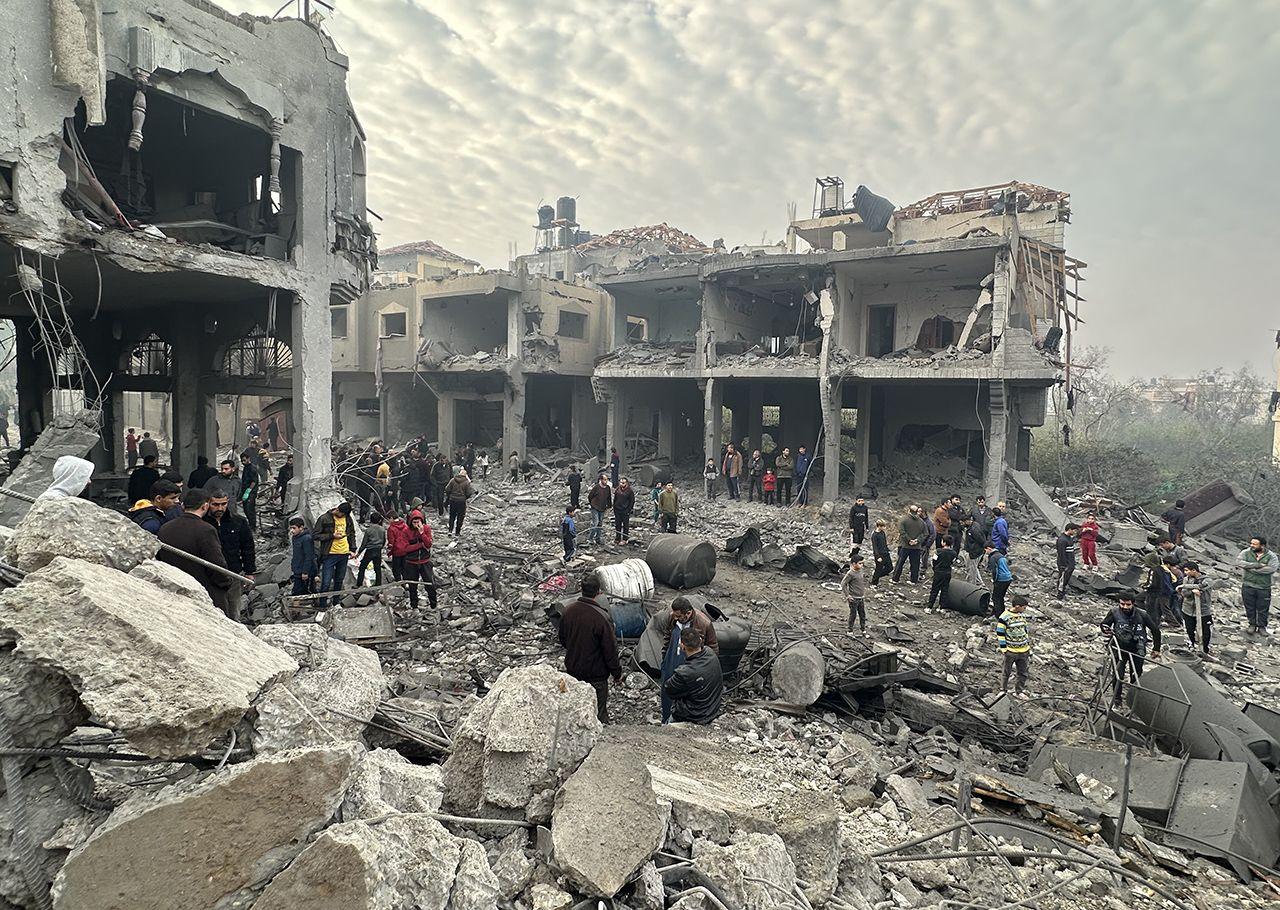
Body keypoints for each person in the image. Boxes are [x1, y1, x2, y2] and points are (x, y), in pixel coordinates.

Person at [158, 488, 232, 614]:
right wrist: (225, 582)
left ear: (182, 506)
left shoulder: (165, 528)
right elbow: (216, 564)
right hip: (204, 592)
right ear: (205, 506)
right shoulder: (206, 530)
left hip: (172, 590)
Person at [559, 576, 622, 723]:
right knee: (597, 714)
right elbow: (610, 650)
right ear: (599, 592)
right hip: (596, 675)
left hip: (573, 671)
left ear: (581, 590)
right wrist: (617, 673)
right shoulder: (601, 617)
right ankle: (600, 742)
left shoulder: (568, 611)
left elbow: (562, 639)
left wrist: (575, 651)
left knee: (575, 711)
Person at [1101, 591, 1161, 704]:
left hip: (1137, 649)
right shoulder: (1114, 612)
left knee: (1136, 674)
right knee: (1118, 674)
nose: (1125, 607)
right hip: (1119, 648)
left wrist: (1156, 648)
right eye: (1122, 604)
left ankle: (1133, 699)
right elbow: (1105, 624)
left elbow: (1155, 630)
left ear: (1133, 604)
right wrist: (1105, 629)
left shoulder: (1142, 614)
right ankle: (1117, 699)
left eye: (1128, 604)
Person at [205, 492, 255, 622]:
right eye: (215, 504)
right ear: (208, 504)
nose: (220, 508)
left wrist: (249, 571)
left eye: (223, 504)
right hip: (209, 574)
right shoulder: (202, 523)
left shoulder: (238, 521)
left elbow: (247, 546)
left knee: (233, 609)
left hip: (233, 572)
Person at [662, 627, 723, 725]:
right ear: (700, 640)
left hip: (693, 716)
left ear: (682, 646)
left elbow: (669, 690)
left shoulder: (684, 673)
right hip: (712, 710)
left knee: (667, 727)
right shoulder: (711, 654)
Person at [315, 502, 355, 607]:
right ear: (337, 509)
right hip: (329, 554)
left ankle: (336, 602)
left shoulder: (348, 519)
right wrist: (332, 536)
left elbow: (351, 534)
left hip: (344, 554)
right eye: (340, 512)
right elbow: (315, 535)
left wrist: (353, 549)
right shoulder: (324, 518)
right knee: (326, 582)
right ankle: (322, 605)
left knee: (339, 580)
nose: (340, 515)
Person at [1236, 535, 1277, 636]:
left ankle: (1262, 627)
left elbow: (1271, 569)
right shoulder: (1246, 552)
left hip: (1264, 587)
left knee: (1263, 608)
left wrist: (1250, 569)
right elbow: (1239, 562)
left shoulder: (1271, 556)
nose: (1252, 545)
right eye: (1251, 543)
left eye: (1254, 544)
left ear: (1262, 545)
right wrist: (1256, 565)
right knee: (1249, 607)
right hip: (1248, 585)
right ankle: (1252, 625)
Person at [996, 594, 1032, 695]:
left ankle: (1019, 691)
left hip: (1024, 650)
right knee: (1006, 672)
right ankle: (1003, 690)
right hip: (1011, 651)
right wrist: (1004, 649)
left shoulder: (1022, 615)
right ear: (1017, 606)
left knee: (1023, 673)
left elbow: (1025, 631)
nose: (1024, 610)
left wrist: (1028, 646)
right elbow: (1000, 633)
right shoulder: (1004, 617)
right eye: (1023, 608)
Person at [402, 510, 437, 610]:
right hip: (411, 562)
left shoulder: (426, 528)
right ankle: (414, 606)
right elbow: (405, 548)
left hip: (425, 561)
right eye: (414, 522)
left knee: (430, 584)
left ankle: (434, 605)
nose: (416, 524)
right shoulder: (406, 531)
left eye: (418, 522)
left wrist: (422, 533)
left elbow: (429, 544)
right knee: (413, 586)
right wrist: (420, 545)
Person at [1177, 561, 1213, 656]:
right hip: (1188, 609)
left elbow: (1203, 587)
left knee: (1206, 631)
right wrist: (1192, 591)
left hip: (1203, 610)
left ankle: (1204, 649)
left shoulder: (1207, 579)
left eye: (1187, 570)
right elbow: (1184, 593)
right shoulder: (1186, 579)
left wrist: (1186, 587)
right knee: (1189, 629)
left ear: (1194, 570)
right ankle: (1192, 646)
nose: (1185, 573)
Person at [892, 505, 927, 584]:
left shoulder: (903, 520)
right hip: (916, 547)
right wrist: (917, 540)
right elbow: (925, 534)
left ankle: (895, 579)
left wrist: (909, 540)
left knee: (900, 563)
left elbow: (902, 532)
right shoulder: (922, 522)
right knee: (915, 564)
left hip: (905, 545)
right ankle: (913, 580)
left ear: (909, 511)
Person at [289, 517, 317, 597]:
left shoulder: (306, 538)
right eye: (291, 528)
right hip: (297, 569)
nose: (292, 531)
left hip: (304, 571)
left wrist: (305, 572)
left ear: (301, 528)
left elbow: (309, 556)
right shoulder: (295, 537)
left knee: (300, 592)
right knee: (299, 592)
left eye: (294, 528)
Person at [356, 512, 386, 588]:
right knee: (377, 568)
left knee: (362, 567)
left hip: (370, 550)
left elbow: (364, 543)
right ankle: (378, 584)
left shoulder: (368, 530)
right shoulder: (382, 529)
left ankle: (359, 584)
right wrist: (381, 547)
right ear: (379, 520)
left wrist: (359, 552)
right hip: (378, 550)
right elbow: (384, 541)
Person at [841, 553, 868, 635]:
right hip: (854, 598)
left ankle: (863, 629)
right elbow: (843, 584)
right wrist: (847, 595)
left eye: (862, 563)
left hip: (861, 597)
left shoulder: (860, 571)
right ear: (853, 564)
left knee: (862, 614)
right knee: (853, 615)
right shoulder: (850, 573)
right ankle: (850, 630)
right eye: (860, 563)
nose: (861, 565)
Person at [926, 542, 956, 608]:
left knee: (934, 590)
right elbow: (953, 561)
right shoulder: (954, 553)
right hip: (947, 572)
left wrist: (934, 568)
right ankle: (942, 607)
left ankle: (929, 606)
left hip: (939, 572)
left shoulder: (938, 551)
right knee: (945, 590)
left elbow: (934, 560)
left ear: (944, 543)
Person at [582, 474, 610, 544]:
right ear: (601, 480)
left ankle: (598, 539)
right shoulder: (596, 487)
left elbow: (609, 497)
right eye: (604, 479)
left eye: (607, 479)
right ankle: (590, 538)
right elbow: (590, 496)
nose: (606, 481)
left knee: (600, 523)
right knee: (595, 523)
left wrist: (609, 506)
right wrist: (592, 504)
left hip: (602, 508)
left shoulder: (607, 488)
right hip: (595, 507)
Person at [444, 468, 474, 535]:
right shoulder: (466, 482)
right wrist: (465, 497)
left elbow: (447, 489)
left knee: (452, 515)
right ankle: (457, 532)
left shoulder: (453, 480)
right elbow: (469, 492)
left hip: (453, 500)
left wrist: (450, 495)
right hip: (461, 501)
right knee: (460, 516)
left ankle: (450, 530)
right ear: (465, 475)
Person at [386, 511, 412, 582]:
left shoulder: (391, 528)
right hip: (406, 549)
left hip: (397, 551)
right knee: (404, 567)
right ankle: (406, 581)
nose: (388, 521)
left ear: (391, 518)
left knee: (396, 568)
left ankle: (398, 581)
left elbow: (391, 541)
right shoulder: (405, 526)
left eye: (388, 519)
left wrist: (389, 551)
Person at [1055, 524, 1079, 599]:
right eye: (1074, 530)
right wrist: (1064, 565)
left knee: (1066, 578)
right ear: (1069, 529)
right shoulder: (1062, 540)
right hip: (1065, 564)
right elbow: (1061, 554)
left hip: (1070, 563)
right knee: (1062, 578)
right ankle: (1060, 594)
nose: (1075, 532)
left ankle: (1063, 591)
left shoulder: (1069, 538)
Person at [988, 544, 1013, 615]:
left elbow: (995, 570)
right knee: (1001, 597)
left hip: (1001, 579)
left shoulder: (993, 557)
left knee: (995, 597)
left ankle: (998, 615)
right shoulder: (1000, 555)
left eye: (986, 550)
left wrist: (995, 580)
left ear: (989, 549)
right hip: (1008, 578)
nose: (986, 552)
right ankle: (1001, 612)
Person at [962, 515, 987, 584]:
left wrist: (972, 551)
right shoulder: (973, 526)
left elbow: (981, 540)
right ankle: (980, 582)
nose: (962, 524)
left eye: (963, 522)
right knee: (974, 568)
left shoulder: (974, 529)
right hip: (976, 551)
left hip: (975, 552)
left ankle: (972, 584)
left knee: (972, 569)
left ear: (967, 521)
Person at [239, 452, 260, 531]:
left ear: (248, 459)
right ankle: (251, 524)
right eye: (242, 461)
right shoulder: (246, 467)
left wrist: (248, 492)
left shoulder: (252, 468)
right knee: (245, 509)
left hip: (251, 492)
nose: (243, 462)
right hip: (245, 490)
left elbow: (253, 482)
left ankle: (253, 526)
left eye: (244, 460)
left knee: (250, 509)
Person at [870, 519, 893, 585]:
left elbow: (884, 543)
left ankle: (876, 576)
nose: (884, 528)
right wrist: (878, 556)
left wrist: (887, 549)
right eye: (883, 526)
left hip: (886, 553)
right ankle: (874, 583)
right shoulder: (874, 535)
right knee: (878, 569)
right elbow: (875, 547)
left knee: (890, 568)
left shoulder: (882, 532)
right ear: (879, 526)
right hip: (879, 555)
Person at [613, 477, 635, 544]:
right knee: (617, 525)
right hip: (617, 510)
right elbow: (615, 499)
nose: (622, 484)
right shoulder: (617, 489)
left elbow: (632, 501)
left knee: (625, 525)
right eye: (621, 482)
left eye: (623, 483)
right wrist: (614, 507)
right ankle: (618, 538)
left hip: (625, 510)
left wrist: (628, 510)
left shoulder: (630, 491)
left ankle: (625, 539)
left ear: (626, 483)